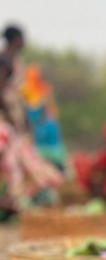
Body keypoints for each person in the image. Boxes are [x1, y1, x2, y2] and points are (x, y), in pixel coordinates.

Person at [0, 55, 63, 215]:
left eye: (4, 75)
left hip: (13, 149)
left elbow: (21, 126)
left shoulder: (11, 98)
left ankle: (17, 199)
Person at [21, 65, 68, 171]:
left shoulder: (46, 89)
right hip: (36, 131)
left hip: (47, 129)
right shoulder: (25, 89)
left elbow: (50, 108)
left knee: (54, 164)